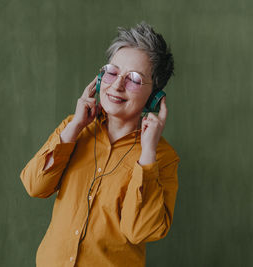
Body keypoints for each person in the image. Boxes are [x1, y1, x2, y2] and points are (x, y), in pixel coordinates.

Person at [20, 21, 180, 267]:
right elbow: (34, 185)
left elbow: (140, 230)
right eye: (112, 72)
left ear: (155, 96)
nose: (117, 85)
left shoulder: (162, 157)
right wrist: (74, 127)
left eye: (134, 79)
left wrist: (147, 153)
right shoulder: (74, 128)